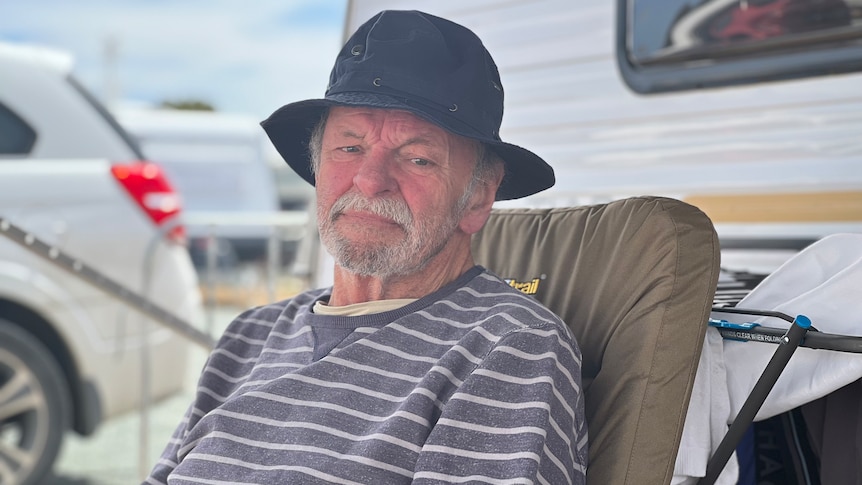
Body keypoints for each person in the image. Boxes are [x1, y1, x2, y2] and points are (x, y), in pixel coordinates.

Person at [145, 10, 587, 485]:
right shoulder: (249, 337)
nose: (371, 181)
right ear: (317, 166)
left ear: (478, 196)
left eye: (418, 158)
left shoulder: (509, 346)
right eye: (349, 148)